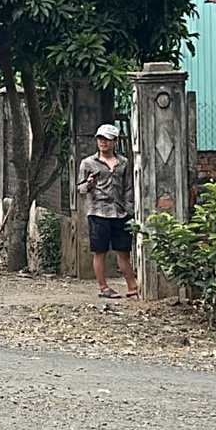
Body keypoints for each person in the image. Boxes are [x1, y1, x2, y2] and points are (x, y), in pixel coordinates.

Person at [78, 124, 137, 299]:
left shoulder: (123, 163)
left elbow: (128, 188)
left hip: (120, 212)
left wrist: (130, 210)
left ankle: (132, 287)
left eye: (107, 139)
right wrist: (89, 184)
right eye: (100, 139)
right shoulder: (88, 163)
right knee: (100, 251)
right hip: (98, 212)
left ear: (115, 142)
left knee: (123, 251)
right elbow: (80, 188)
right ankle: (104, 287)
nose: (103, 142)